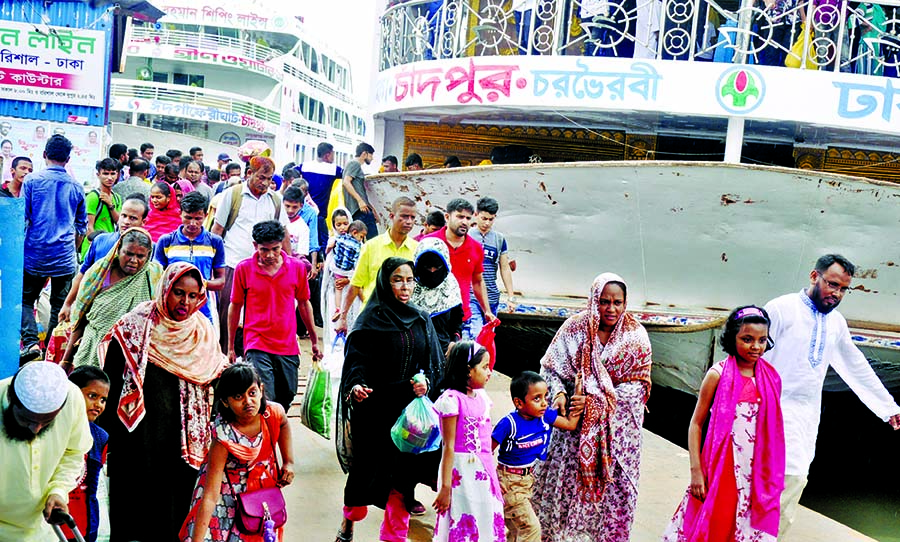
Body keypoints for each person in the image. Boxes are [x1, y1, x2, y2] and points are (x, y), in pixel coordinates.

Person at [763, 254, 900, 535]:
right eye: (832, 284)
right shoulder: (780, 309)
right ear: (814, 277)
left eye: (842, 289)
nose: (836, 294)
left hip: (805, 420)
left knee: (795, 482)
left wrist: (887, 407)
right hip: (767, 412)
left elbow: (855, 366)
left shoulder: (836, 323)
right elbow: (747, 358)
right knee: (761, 487)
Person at [96, 262, 227, 541]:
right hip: (137, 436)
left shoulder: (202, 331)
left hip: (182, 437)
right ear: (165, 289)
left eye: (193, 296)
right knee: (135, 503)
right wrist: (105, 435)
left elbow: (217, 375)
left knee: (174, 504)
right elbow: (111, 380)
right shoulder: (135, 325)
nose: (186, 302)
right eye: (179, 293)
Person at [531, 273, 652, 541]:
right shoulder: (574, 328)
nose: (611, 309)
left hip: (615, 441)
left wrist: (595, 402)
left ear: (625, 302)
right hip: (572, 434)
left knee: (612, 498)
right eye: (604, 302)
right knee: (564, 492)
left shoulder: (636, 336)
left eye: (618, 302)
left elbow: (637, 389)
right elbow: (550, 368)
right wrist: (559, 394)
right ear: (593, 299)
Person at [335, 257, 445, 542]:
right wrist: (356, 386)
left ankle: (393, 537)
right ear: (386, 282)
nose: (405, 286)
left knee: (402, 480)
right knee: (364, 475)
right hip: (375, 409)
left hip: (408, 413)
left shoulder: (420, 319)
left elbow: (432, 364)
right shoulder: (370, 321)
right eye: (397, 279)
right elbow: (356, 363)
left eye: (409, 279)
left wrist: (426, 384)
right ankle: (349, 523)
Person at [662, 306, 785, 542]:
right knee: (715, 525)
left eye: (761, 340)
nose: (756, 347)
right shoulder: (717, 375)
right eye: (747, 339)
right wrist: (696, 472)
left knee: (746, 528)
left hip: (756, 473)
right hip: (722, 467)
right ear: (732, 338)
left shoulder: (771, 378)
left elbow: (772, 431)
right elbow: (696, 424)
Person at [180, 363, 294, 542]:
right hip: (226, 496)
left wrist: (288, 461)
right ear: (225, 401)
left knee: (262, 531)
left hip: (261, 490)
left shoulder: (272, 413)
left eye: (252, 393)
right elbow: (210, 495)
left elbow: (284, 423)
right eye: (238, 396)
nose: (248, 402)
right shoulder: (224, 437)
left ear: (261, 390)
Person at [228, 221, 321, 412]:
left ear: (282, 244)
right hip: (256, 343)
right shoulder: (243, 269)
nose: (270, 255)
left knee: (287, 395)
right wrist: (230, 346)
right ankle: (266, 440)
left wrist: (313, 340)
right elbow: (235, 306)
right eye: (264, 250)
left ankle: (275, 433)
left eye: (275, 249)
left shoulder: (296, 268)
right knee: (266, 398)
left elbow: (304, 304)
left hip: (287, 344)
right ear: (255, 246)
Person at [0, 362, 93, 541]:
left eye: (47, 422)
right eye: (27, 420)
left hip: (42, 530)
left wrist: (58, 490)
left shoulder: (72, 399)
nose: (36, 429)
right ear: (11, 400)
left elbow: (73, 453)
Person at [492, 370, 584, 542]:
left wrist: (578, 392)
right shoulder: (508, 424)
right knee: (532, 529)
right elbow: (485, 451)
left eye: (545, 397)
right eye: (537, 399)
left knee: (516, 530)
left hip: (527, 481)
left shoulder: (545, 416)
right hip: (509, 482)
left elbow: (570, 424)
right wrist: (491, 481)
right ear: (519, 403)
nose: (543, 403)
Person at [212, 156, 291, 351]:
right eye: (261, 177)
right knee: (228, 317)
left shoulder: (276, 200)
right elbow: (217, 230)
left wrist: (289, 264)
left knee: (258, 318)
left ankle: (252, 361)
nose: (265, 183)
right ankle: (225, 359)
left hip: (264, 270)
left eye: (269, 179)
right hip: (233, 264)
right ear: (249, 173)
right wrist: (213, 266)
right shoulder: (232, 195)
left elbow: (284, 233)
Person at [21, 134, 87, 362]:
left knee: (25, 300)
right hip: (64, 258)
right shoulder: (77, 187)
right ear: (68, 159)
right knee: (60, 305)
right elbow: (81, 227)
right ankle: (49, 350)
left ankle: (30, 343)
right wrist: (73, 250)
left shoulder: (31, 181)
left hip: (34, 254)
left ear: (44, 155)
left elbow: (24, 218)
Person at [431, 341, 505, 541]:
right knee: (463, 512)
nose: (489, 372)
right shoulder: (451, 400)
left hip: (484, 468)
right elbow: (448, 446)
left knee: (485, 512)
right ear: (468, 370)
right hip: (460, 471)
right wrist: (446, 487)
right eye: (484, 367)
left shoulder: (482, 396)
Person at [63, 228, 163, 369]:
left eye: (140, 256)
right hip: (93, 349)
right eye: (128, 254)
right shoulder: (99, 274)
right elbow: (81, 318)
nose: (133, 260)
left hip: (132, 358)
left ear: (148, 256)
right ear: (118, 249)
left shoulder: (153, 276)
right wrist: (66, 360)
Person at [58, 194, 149, 324]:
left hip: (128, 319)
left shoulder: (147, 250)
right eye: (123, 216)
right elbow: (83, 275)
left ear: (143, 222)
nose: (126, 221)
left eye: (133, 218)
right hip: (95, 313)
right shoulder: (101, 241)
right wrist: (67, 304)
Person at [335, 196, 419, 334]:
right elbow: (356, 284)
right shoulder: (371, 247)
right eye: (404, 216)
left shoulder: (417, 250)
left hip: (404, 321)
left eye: (412, 217)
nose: (409, 221)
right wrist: (343, 318)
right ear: (392, 216)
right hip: (373, 318)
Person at [425, 198, 496, 340]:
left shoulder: (475, 248)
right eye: (460, 216)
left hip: (462, 319)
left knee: (462, 360)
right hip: (432, 316)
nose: (464, 221)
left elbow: (477, 281)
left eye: (468, 218)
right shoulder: (429, 243)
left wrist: (487, 310)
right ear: (447, 217)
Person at [155, 191, 227, 326]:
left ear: (206, 215)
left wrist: (199, 285)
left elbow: (221, 281)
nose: (193, 223)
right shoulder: (166, 241)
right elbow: (156, 277)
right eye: (188, 217)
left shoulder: (215, 242)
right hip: (171, 310)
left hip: (202, 311)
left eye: (198, 219)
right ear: (180, 213)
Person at [65, 366, 110, 542]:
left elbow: (92, 487)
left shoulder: (100, 437)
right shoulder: (52, 428)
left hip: (83, 527)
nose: (98, 404)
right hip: (50, 524)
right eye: (92, 396)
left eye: (103, 400)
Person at [469, 197, 515, 338]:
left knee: (487, 337)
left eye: (491, 219)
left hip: (492, 296)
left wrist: (511, 296)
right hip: (471, 295)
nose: (487, 223)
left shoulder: (499, 239)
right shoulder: (467, 236)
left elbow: (504, 268)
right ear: (476, 215)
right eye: (484, 218)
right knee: (474, 334)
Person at [410, 237, 463, 354]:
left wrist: (454, 342)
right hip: (412, 352)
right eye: (428, 268)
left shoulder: (450, 287)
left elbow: (457, 322)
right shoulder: (408, 288)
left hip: (443, 352)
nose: (432, 272)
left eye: (437, 268)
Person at [298, 142, 344, 250]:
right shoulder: (333, 169)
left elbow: (289, 172)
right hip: (320, 214)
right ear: (327, 155)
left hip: (304, 211)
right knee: (322, 242)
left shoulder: (304, 166)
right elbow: (348, 176)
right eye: (333, 154)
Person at [82, 158, 123, 259]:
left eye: (113, 173)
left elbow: (119, 221)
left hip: (109, 247)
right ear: (98, 175)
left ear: (117, 174)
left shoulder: (117, 198)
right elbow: (89, 226)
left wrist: (110, 205)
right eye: (105, 173)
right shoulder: (93, 196)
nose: (109, 178)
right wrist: (93, 247)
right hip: (92, 248)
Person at [330, 220, 367, 321]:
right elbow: (357, 263)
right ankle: (366, 303)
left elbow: (332, 250)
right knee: (357, 286)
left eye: (345, 224)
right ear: (355, 232)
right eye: (361, 236)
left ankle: (337, 309)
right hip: (349, 271)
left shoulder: (338, 238)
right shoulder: (358, 246)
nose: (361, 239)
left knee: (338, 289)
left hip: (337, 269)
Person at [343, 142, 379, 240]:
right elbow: (346, 182)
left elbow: (360, 190)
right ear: (364, 154)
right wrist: (360, 201)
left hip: (361, 209)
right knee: (373, 240)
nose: (372, 158)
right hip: (359, 210)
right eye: (371, 155)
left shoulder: (353, 165)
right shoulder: (354, 164)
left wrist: (372, 209)